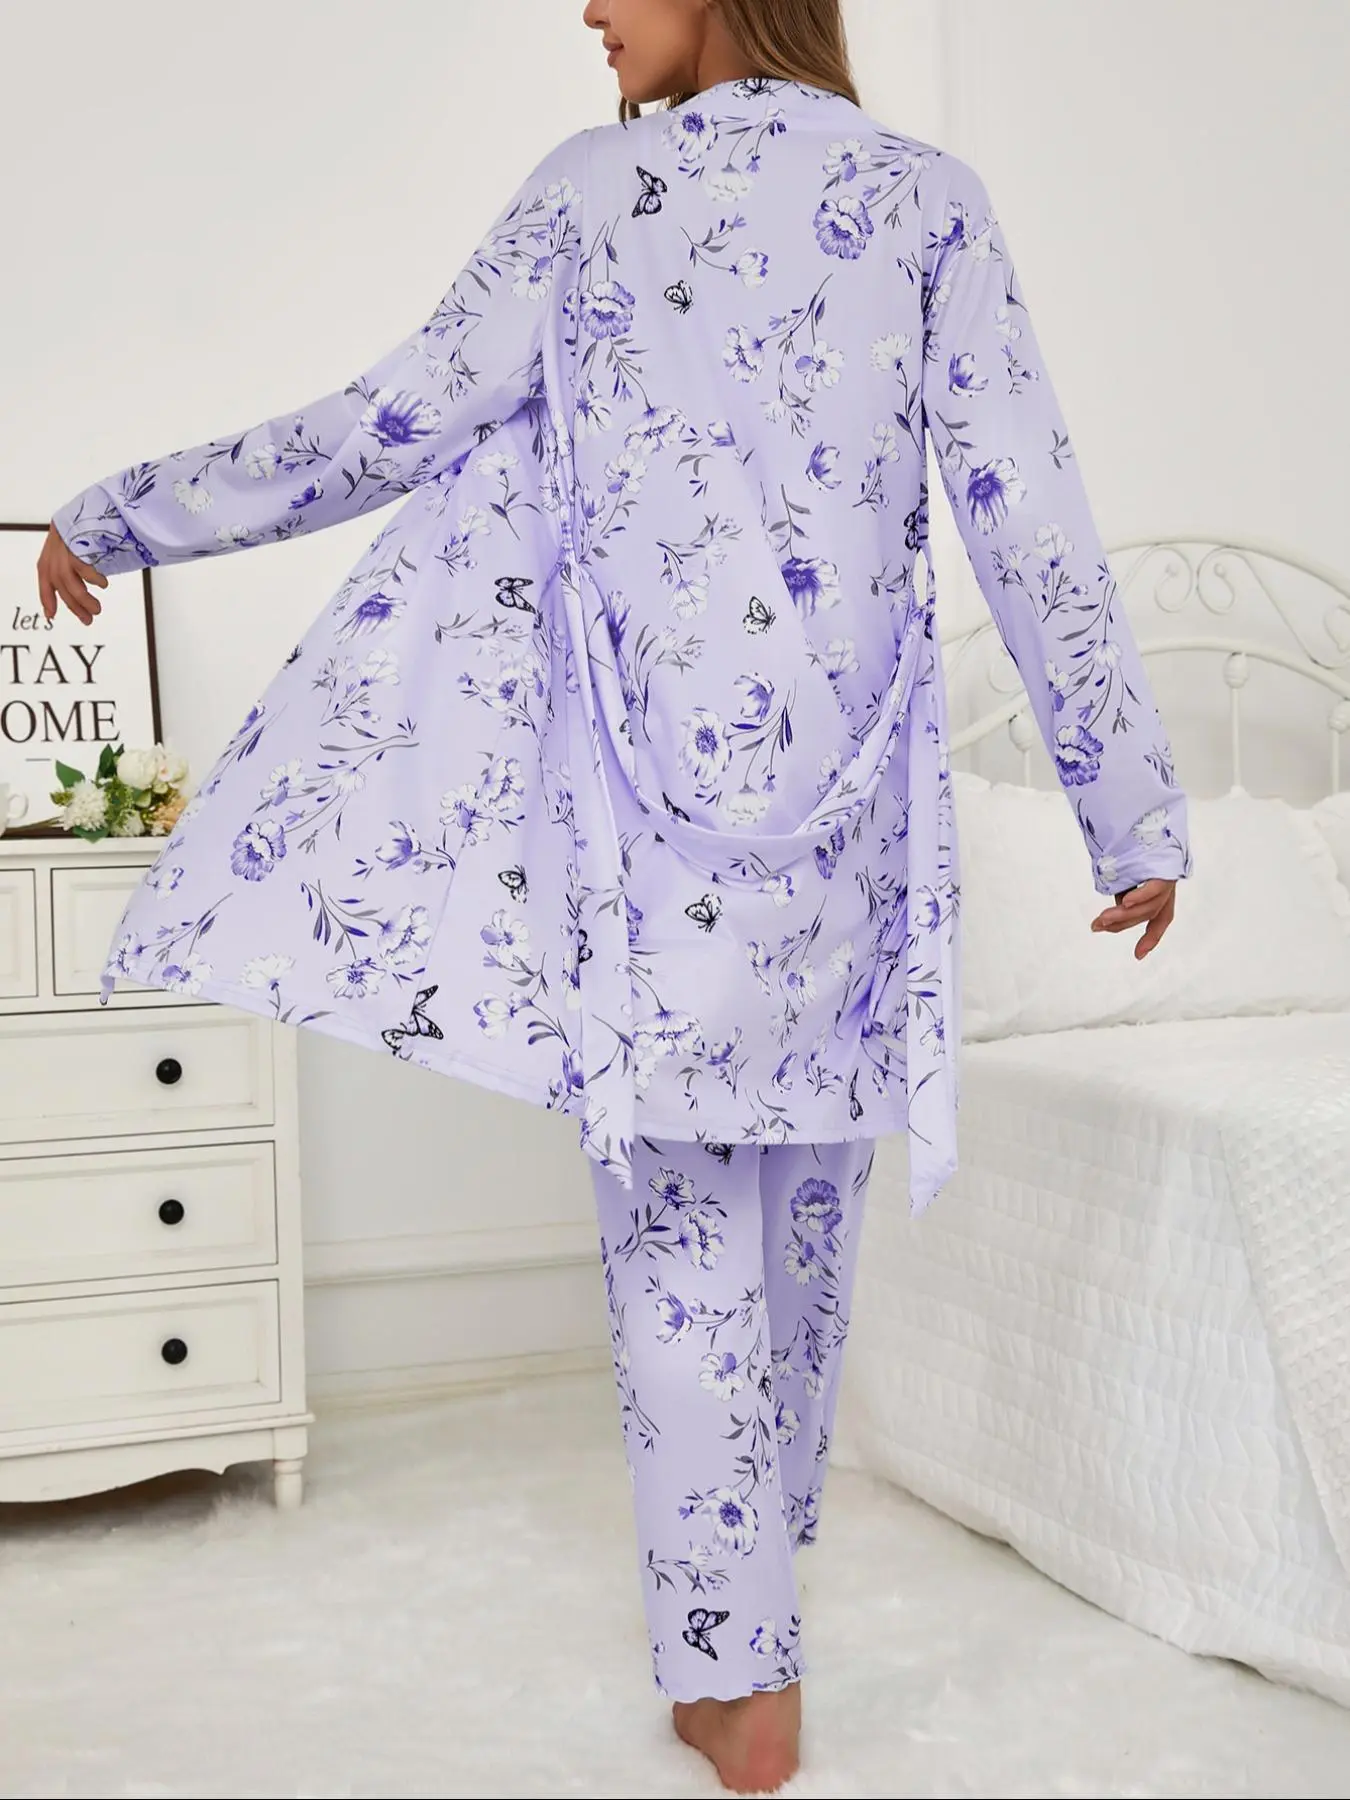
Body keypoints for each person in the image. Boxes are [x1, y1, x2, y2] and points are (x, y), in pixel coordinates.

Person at [37, 0, 1190, 1790]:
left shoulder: (593, 196)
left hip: (650, 847)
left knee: (683, 1252)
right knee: (803, 1246)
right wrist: (1130, 811)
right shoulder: (928, 203)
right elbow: (1021, 509)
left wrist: (123, 512)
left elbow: (388, 422)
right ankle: (752, 1624)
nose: (585, 7)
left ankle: (739, 1673)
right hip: (848, 852)